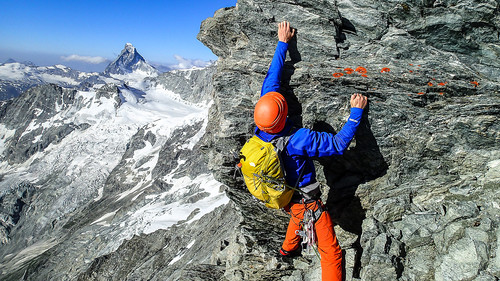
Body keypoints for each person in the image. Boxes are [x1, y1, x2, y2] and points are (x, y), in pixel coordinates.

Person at [253, 21, 368, 281]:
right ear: (284, 114)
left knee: (296, 214)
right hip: (307, 200)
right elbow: (338, 145)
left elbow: (272, 78)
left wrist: (283, 44)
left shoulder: (262, 120)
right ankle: (290, 249)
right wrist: (355, 115)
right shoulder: (299, 138)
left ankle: (287, 250)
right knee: (332, 253)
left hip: (282, 195)